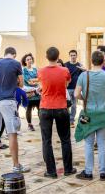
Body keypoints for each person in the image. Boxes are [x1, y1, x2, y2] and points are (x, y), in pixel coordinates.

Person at [75, 50, 105, 181]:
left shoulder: (84, 75)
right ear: (103, 62)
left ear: (91, 61)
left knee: (89, 144)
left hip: (89, 114)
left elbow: (76, 94)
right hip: (103, 114)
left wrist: (84, 98)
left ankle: (88, 172)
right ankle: (103, 172)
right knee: (101, 144)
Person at [0, 47, 30, 173]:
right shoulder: (16, 64)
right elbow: (21, 84)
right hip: (8, 101)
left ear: (4, 54)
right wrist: (13, 81)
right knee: (12, 133)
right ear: (14, 55)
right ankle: (16, 165)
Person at [38, 47, 76, 178]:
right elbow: (68, 82)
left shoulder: (41, 71)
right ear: (58, 56)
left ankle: (51, 171)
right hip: (61, 107)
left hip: (45, 108)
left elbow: (41, 84)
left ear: (46, 57)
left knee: (46, 140)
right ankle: (68, 169)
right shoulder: (65, 70)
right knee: (65, 139)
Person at [64, 50, 85, 128]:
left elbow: (83, 75)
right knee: (66, 105)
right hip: (67, 88)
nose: (73, 56)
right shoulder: (65, 65)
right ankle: (67, 119)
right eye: (71, 55)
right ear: (69, 56)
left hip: (76, 88)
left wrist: (83, 69)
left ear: (76, 56)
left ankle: (71, 121)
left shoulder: (79, 65)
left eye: (74, 55)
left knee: (74, 105)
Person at [21, 53, 40, 131]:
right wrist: (35, 82)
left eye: (30, 59)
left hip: (37, 91)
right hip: (28, 92)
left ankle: (41, 122)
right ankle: (29, 124)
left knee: (40, 107)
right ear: (25, 61)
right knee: (29, 108)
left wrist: (35, 82)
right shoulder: (24, 70)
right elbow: (28, 81)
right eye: (27, 59)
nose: (29, 60)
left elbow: (39, 78)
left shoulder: (35, 69)